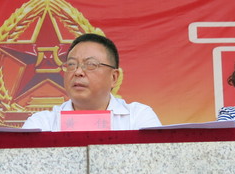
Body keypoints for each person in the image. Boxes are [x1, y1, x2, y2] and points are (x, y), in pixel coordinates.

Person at [22, 33, 161, 131]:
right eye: (71, 64)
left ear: (113, 78)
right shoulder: (41, 124)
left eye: (90, 65)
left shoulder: (138, 117)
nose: (78, 72)